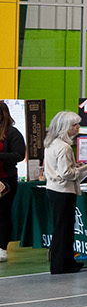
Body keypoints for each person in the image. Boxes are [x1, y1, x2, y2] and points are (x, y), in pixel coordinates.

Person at [41, 111, 87, 274]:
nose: (78, 127)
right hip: (63, 191)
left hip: (54, 189)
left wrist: (76, 166)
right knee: (64, 229)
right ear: (65, 128)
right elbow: (67, 173)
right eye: (74, 125)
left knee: (63, 228)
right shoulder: (64, 147)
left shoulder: (51, 143)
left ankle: (66, 260)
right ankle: (61, 265)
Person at [0, 103, 23, 262]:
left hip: (5, 179)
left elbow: (19, 155)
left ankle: (2, 247)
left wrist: (1, 155)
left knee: (2, 213)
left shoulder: (13, 133)